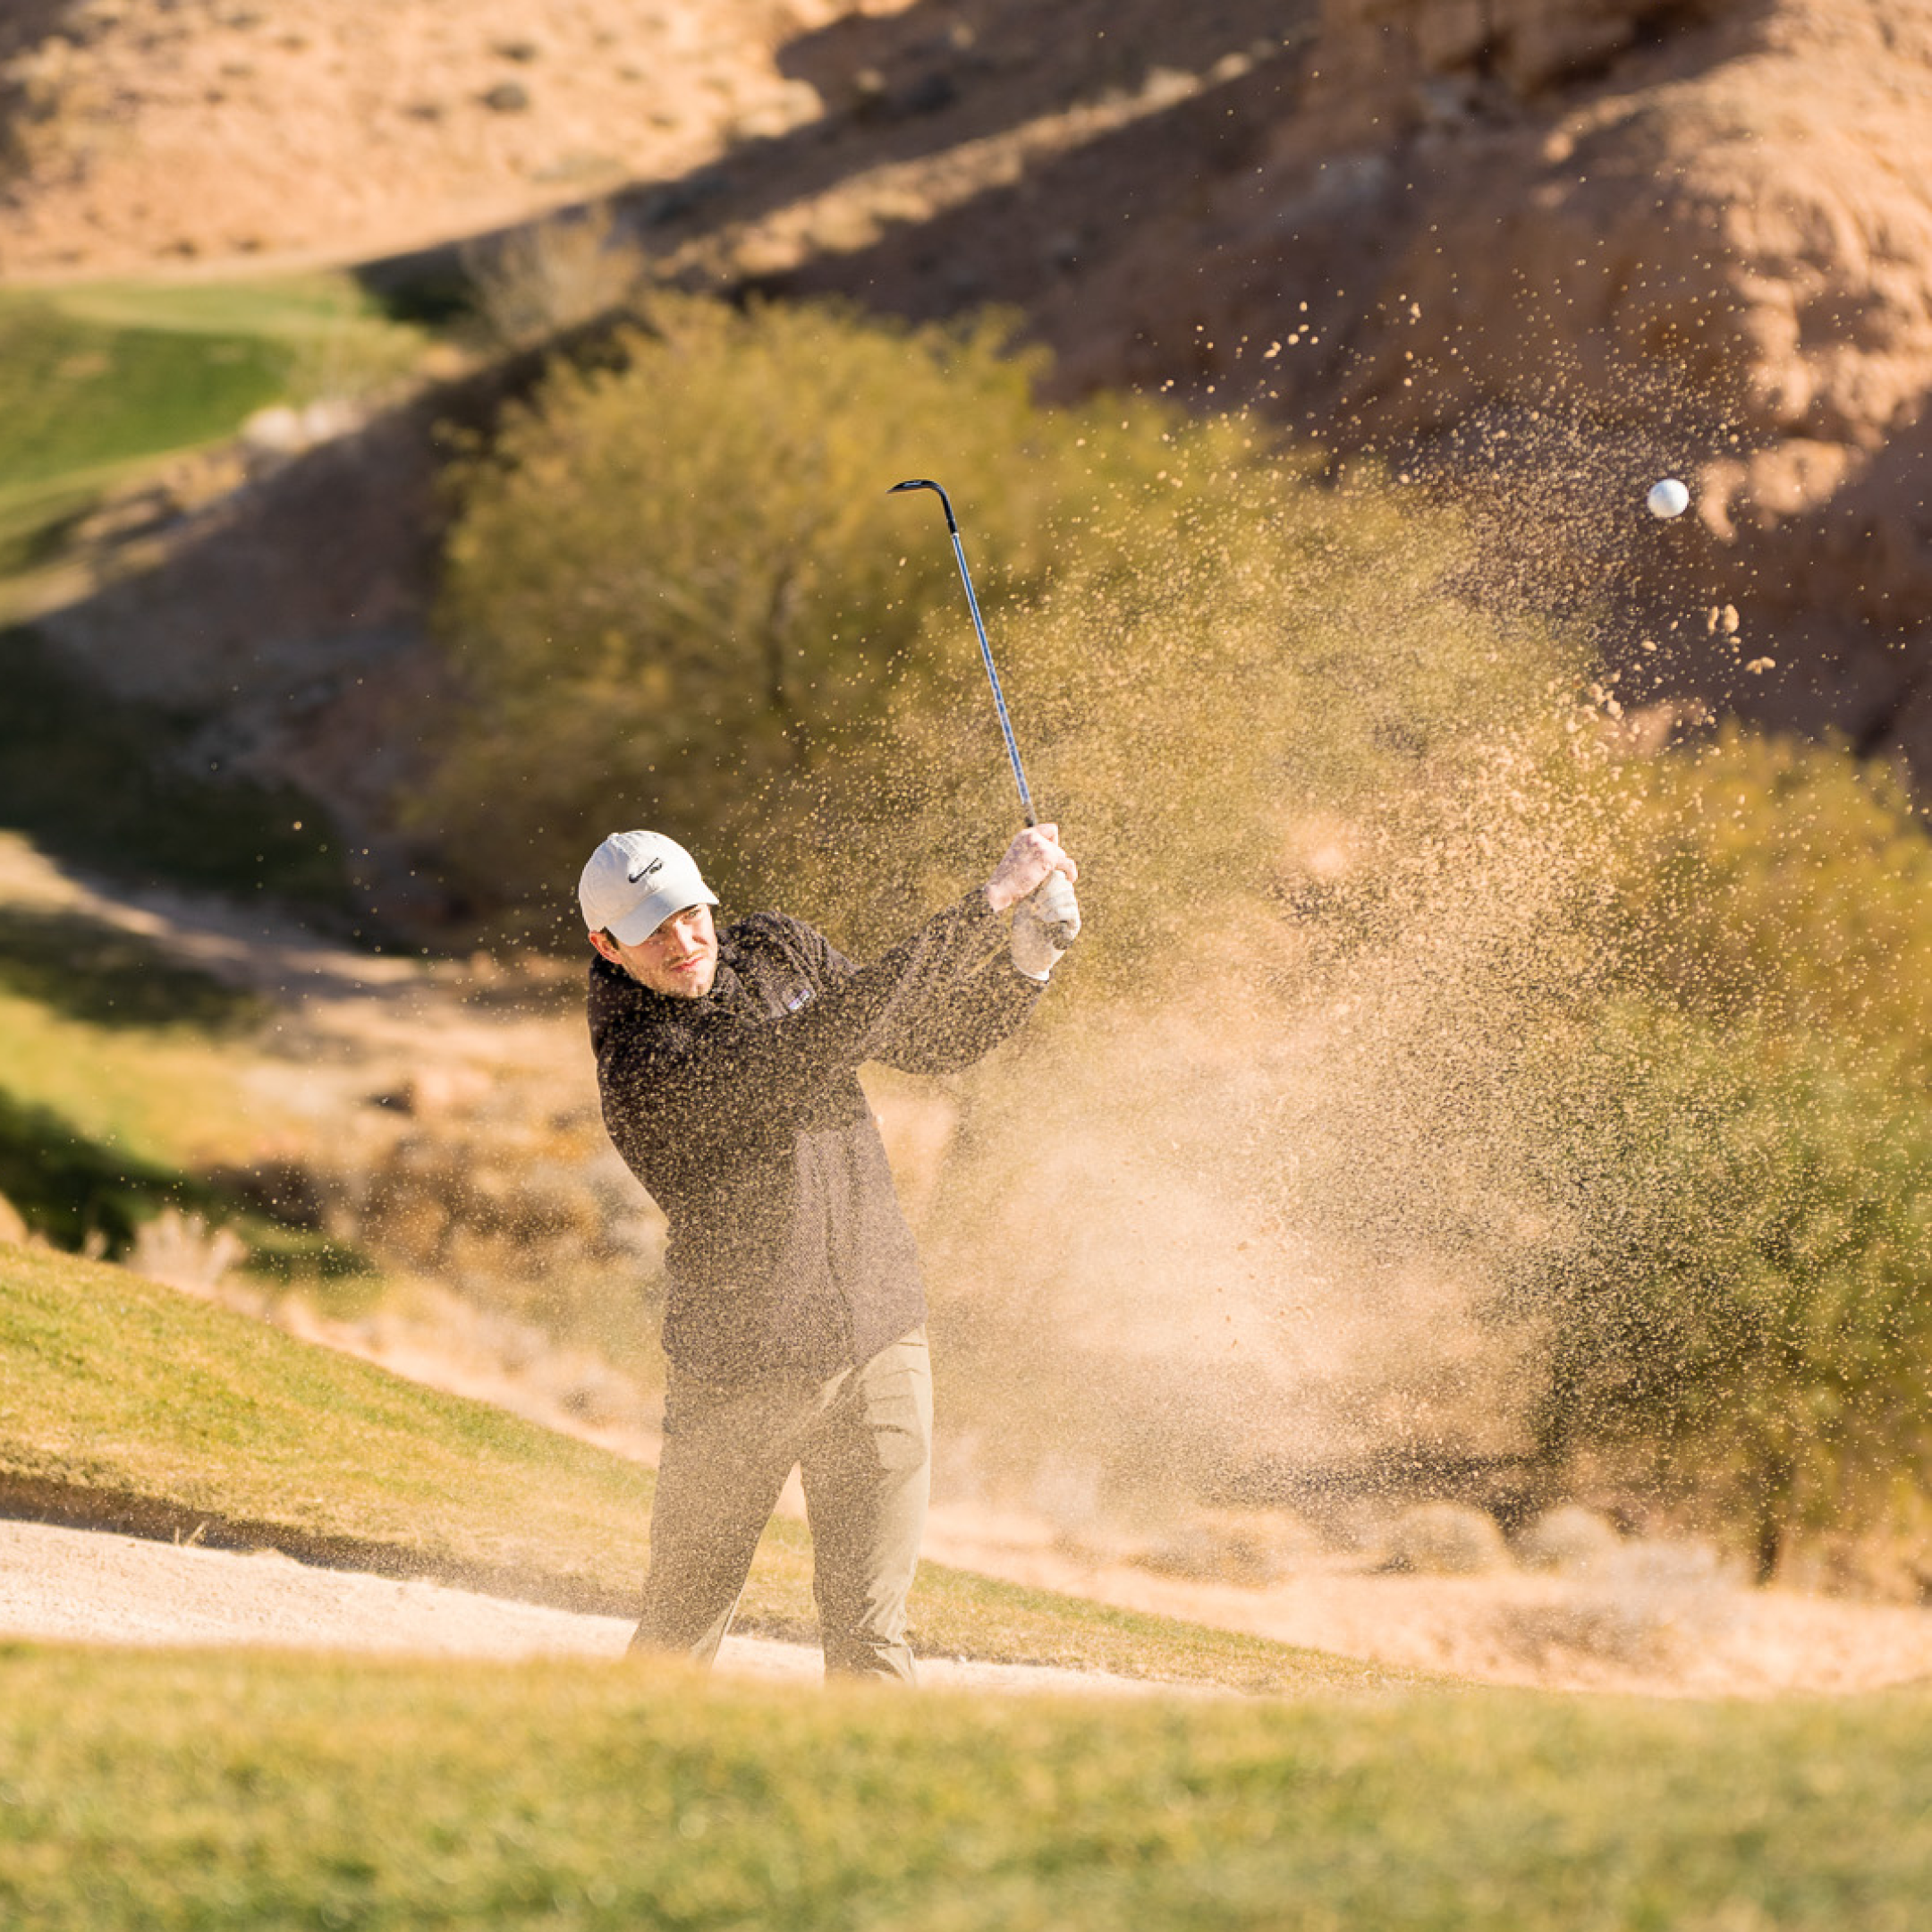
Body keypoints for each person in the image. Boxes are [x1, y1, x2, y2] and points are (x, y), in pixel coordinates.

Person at [580, 822, 1080, 1682]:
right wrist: (987, 904)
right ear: (607, 945)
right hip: (743, 1368)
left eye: (690, 915)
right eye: (653, 930)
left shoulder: (774, 946)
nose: (684, 942)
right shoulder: (642, 1059)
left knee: (872, 1631)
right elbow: (818, 1044)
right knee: (683, 1624)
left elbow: (925, 1040)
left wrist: (1026, 962)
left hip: (881, 1333)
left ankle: (882, 1810)